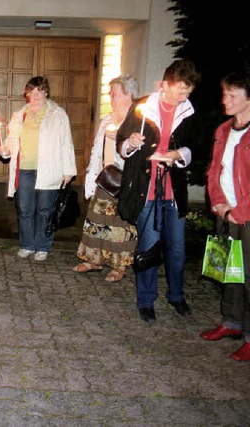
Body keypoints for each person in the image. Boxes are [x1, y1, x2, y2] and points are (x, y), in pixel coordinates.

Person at [116, 59, 201, 325]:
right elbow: (121, 143)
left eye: (187, 92)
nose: (183, 97)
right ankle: (145, 300)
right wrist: (130, 143)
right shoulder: (142, 107)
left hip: (173, 191)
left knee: (177, 249)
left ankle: (176, 295)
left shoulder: (188, 111)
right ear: (164, 85)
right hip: (146, 190)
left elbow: (193, 147)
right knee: (149, 247)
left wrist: (178, 154)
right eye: (179, 91)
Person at [0, 76, 76, 261]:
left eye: (40, 91)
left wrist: (68, 170)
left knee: (44, 210)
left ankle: (43, 246)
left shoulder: (57, 113)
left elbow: (66, 142)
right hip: (25, 168)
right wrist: (5, 150)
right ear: (27, 94)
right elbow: (11, 139)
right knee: (24, 209)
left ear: (46, 92)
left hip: (48, 169)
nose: (36, 95)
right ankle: (27, 244)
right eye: (32, 91)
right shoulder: (20, 114)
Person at [201, 71, 250, 362]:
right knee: (230, 272)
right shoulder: (223, 130)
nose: (225, 99)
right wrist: (219, 203)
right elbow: (213, 171)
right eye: (224, 94)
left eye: (232, 94)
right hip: (226, 212)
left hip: (245, 216)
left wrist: (238, 212)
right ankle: (231, 323)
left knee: (249, 277)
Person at [73, 75, 139, 282]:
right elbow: (97, 148)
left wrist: (121, 139)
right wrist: (92, 169)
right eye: (110, 94)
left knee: (119, 224)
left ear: (129, 95)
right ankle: (94, 260)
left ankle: (118, 267)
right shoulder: (108, 119)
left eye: (115, 94)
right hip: (105, 177)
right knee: (97, 221)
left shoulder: (137, 121)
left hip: (125, 179)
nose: (111, 99)